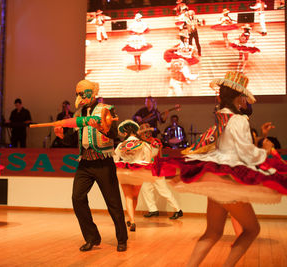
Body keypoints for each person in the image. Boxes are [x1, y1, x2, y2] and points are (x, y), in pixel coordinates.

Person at [154, 71, 287, 266]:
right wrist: (266, 151)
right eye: (244, 98)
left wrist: (259, 139)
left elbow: (229, 149)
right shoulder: (239, 120)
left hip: (216, 180)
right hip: (229, 182)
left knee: (213, 232)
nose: (246, 102)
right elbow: (246, 153)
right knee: (252, 230)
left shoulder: (222, 118)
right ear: (240, 98)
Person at [54, 79, 128, 252]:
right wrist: (61, 136)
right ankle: (92, 237)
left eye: (83, 92)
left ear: (93, 92)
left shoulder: (106, 110)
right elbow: (75, 140)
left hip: (103, 162)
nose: (80, 96)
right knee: (77, 198)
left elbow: (114, 134)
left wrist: (101, 128)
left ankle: (122, 239)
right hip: (85, 162)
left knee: (113, 203)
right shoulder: (78, 115)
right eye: (78, 93)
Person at [113, 120, 162, 231]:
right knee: (135, 196)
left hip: (124, 172)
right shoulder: (144, 144)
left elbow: (114, 158)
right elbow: (148, 159)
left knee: (128, 197)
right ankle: (131, 218)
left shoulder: (121, 145)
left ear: (125, 133)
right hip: (139, 172)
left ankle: (132, 220)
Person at [137, 123, 183, 220]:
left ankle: (178, 210)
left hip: (156, 170)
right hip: (147, 170)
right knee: (146, 189)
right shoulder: (142, 143)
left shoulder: (155, 142)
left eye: (146, 132)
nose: (145, 134)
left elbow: (153, 154)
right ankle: (153, 210)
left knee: (163, 191)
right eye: (143, 133)